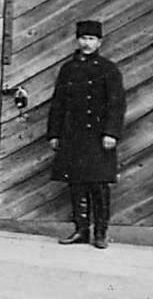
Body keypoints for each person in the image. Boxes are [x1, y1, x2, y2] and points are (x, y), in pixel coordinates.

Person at [46, 16, 126, 248]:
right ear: (77, 40)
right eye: (83, 38)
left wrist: (111, 133)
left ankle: (100, 232)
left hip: (98, 136)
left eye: (91, 39)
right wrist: (54, 133)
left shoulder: (108, 69)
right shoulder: (68, 69)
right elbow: (58, 103)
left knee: (98, 184)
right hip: (73, 135)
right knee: (76, 183)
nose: (87, 43)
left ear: (99, 42)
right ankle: (81, 230)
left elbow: (116, 104)